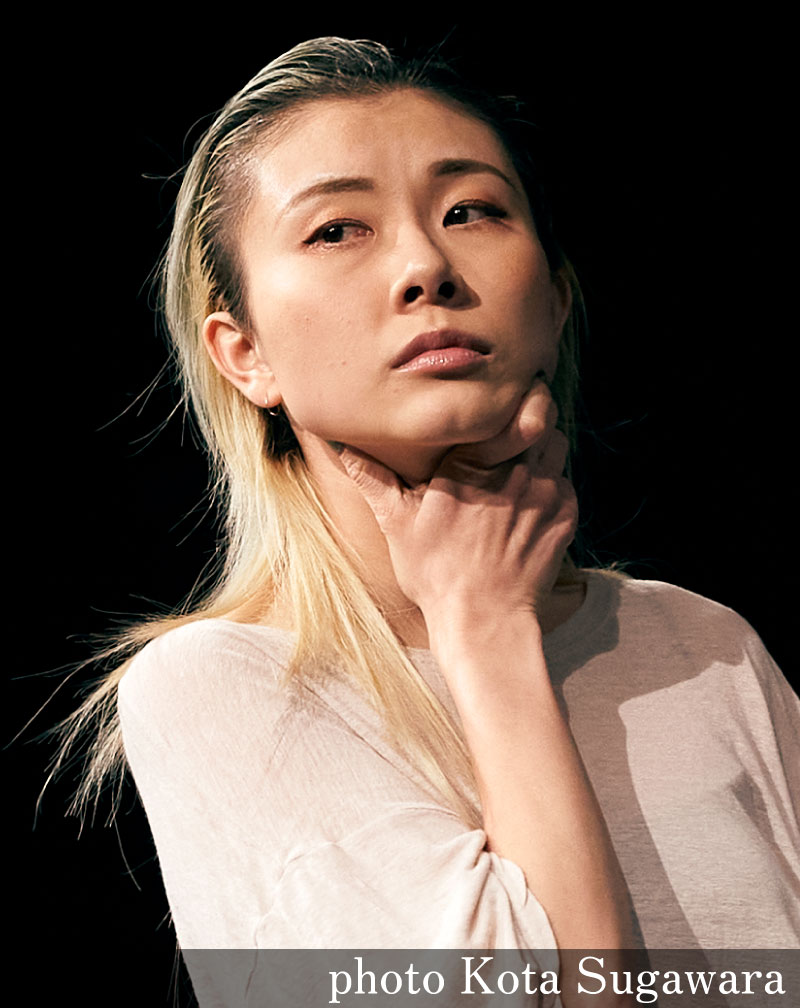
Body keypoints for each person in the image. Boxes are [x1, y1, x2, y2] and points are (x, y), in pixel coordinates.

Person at [55, 35, 799, 1006]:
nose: (424, 265)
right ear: (244, 354)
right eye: (336, 230)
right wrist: (484, 627)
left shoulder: (702, 646)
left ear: (555, 300)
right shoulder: (226, 689)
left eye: (470, 210)